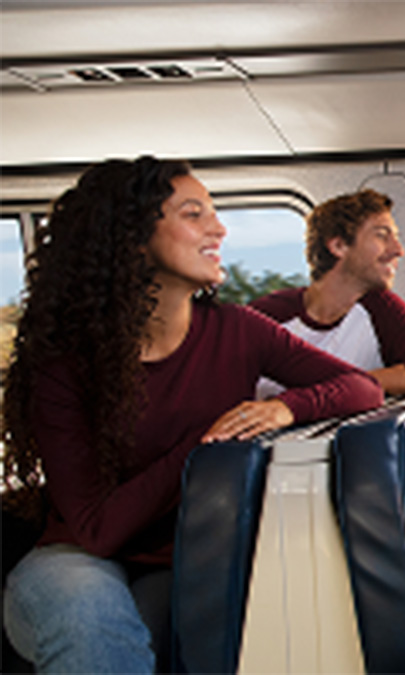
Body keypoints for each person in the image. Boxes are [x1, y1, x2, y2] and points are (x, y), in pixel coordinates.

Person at [1, 157, 384, 673]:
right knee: (91, 619)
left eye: (214, 212)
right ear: (133, 237)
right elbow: (96, 531)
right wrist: (204, 446)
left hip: (176, 559)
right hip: (73, 561)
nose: (218, 227)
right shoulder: (65, 364)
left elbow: (361, 388)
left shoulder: (238, 331)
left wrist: (282, 408)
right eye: (193, 213)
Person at [252, 189, 405, 398]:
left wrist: (343, 387)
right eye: (382, 235)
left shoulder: (380, 308)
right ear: (339, 246)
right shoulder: (266, 317)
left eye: (396, 237)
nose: (398, 250)